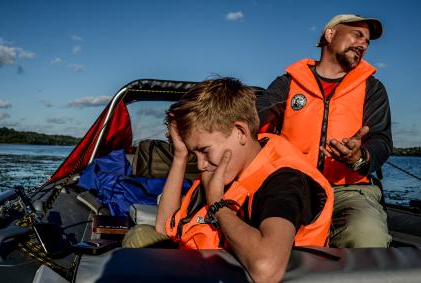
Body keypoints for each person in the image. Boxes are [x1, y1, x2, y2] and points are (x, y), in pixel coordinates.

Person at [124, 78, 333, 282]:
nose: (200, 165)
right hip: (207, 266)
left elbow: (266, 269)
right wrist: (180, 156)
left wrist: (217, 206)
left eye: (204, 150)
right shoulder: (225, 168)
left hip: (237, 273)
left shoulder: (284, 181)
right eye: (194, 154)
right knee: (141, 236)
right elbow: (164, 228)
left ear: (240, 132)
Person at [257, 14, 393, 248]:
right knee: (271, 237)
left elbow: (381, 140)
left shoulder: (373, 88)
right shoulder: (288, 83)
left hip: (350, 191)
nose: (363, 44)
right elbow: (254, 120)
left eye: (367, 42)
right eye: (357, 35)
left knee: (368, 234)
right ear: (330, 35)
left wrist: (360, 158)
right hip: (294, 185)